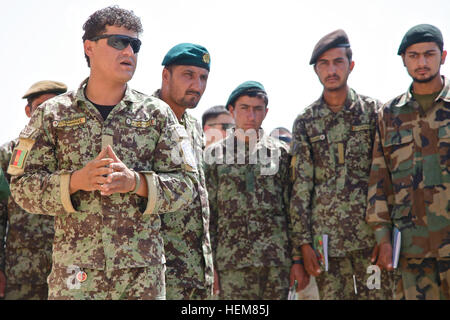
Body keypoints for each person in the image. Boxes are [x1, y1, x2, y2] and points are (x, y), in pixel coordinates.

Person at [8, 6, 196, 300]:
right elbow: (21, 187)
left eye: (135, 44)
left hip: (140, 278)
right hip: (76, 274)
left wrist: (137, 183)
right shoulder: (52, 114)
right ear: (89, 47)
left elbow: (187, 186)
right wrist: (75, 181)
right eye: (119, 42)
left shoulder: (158, 115)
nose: (129, 52)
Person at [289, 29, 392, 299]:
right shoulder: (306, 121)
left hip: (370, 240)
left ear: (351, 65)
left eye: (338, 62)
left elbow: (387, 177)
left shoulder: (374, 112)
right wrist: (302, 244)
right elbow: (301, 187)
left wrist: (385, 237)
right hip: (326, 245)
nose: (331, 70)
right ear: (316, 70)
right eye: (324, 63)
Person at [366, 24, 450, 300]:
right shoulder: (389, 114)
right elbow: (380, 178)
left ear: (443, 56)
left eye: (429, 54)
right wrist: (382, 237)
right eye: (413, 56)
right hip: (412, 248)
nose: (422, 62)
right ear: (404, 60)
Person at [205, 81, 292, 299]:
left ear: (266, 112)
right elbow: (209, 214)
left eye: (257, 109)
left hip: (276, 261)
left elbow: (293, 209)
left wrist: (296, 259)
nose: (251, 115)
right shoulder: (214, 156)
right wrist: (210, 263)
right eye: (244, 108)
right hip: (231, 263)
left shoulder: (281, 154)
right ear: (232, 111)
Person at [152, 43, 214, 300]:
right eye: (188, 75)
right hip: (160, 272)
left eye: (203, 78)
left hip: (197, 272)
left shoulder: (193, 125)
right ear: (166, 75)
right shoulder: (143, 118)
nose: (197, 86)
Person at [0, 80, 67, 300]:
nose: (49, 114)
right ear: (28, 111)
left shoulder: (75, 154)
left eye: (56, 106)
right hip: (22, 273)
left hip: (71, 272)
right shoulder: (8, 156)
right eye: (41, 107)